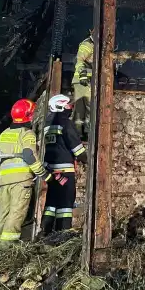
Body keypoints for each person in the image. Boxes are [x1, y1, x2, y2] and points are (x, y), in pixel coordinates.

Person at [0, 99, 59, 247]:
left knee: (1, 214)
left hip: (4, 182)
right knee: (15, 215)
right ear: (28, 116)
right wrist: (44, 174)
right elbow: (29, 155)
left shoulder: (4, 134)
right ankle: (7, 250)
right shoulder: (27, 134)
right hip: (21, 183)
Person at [41, 94, 87, 235]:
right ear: (60, 106)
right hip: (65, 170)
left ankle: (45, 230)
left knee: (52, 202)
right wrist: (86, 159)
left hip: (51, 170)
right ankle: (64, 231)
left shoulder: (46, 124)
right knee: (66, 202)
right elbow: (75, 146)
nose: (71, 108)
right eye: (68, 105)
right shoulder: (65, 123)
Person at [72, 30, 94, 139]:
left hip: (86, 80)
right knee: (85, 107)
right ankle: (80, 133)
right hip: (83, 81)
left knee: (85, 108)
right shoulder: (88, 44)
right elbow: (79, 59)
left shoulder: (95, 45)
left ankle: (84, 132)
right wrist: (83, 74)